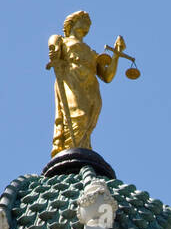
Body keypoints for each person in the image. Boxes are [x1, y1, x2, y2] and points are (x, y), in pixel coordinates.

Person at [47, 10, 125, 156]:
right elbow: (53, 47)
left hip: (91, 87)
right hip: (71, 80)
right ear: (73, 23)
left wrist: (116, 55)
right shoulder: (62, 40)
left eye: (89, 21)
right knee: (78, 116)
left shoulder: (92, 52)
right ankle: (71, 150)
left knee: (89, 121)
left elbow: (107, 76)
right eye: (84, 19)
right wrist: (54, 51)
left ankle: (82, 149)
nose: (88, 23)